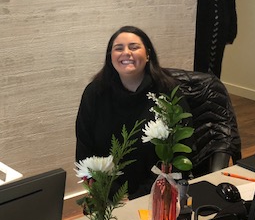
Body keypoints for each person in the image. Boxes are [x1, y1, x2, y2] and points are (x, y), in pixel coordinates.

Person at [75, 26, 190, 199]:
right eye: (118, 48)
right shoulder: (95, 93)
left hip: (158, 193)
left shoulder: (167, 91)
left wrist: (143, 195)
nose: (126, 53)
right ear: (110, 57)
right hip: (108, 195)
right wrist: (112, 194)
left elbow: (182, 149)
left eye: (134, 47)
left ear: (148, 54)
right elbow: (84, 151)